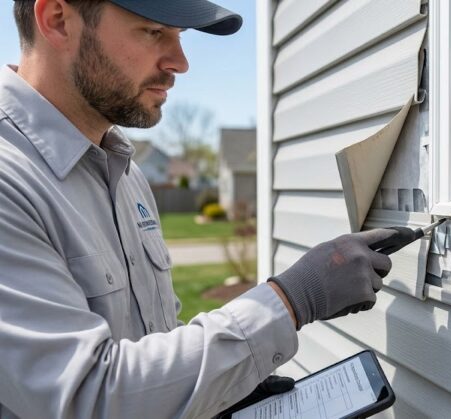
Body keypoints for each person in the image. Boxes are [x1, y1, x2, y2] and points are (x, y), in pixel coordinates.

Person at [0, 1, 395, 418]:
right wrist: (293, 299)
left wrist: (220, 393)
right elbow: (89, 398)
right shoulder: (11, 179)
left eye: (180, 37)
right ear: (58, 21)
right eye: (154, 31)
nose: (181, 63)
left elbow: (151, 346)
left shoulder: (124, 173)